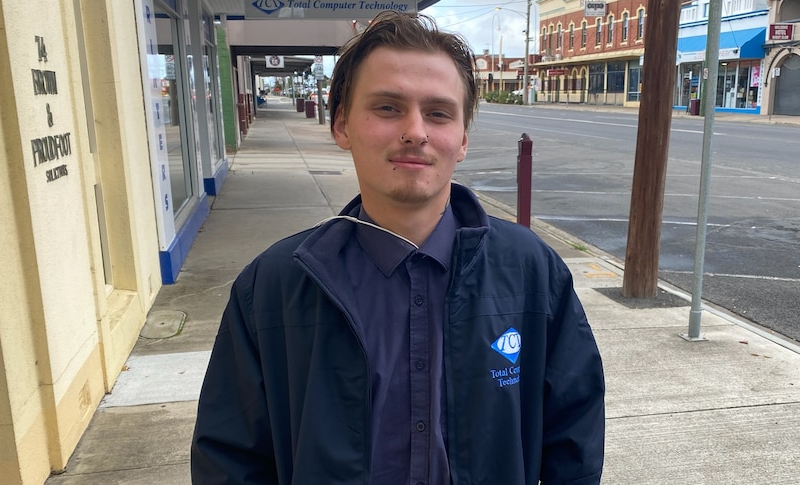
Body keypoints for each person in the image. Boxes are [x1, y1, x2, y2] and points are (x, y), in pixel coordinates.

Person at [191, 11, 605, 485]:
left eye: (438, 113)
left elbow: (575, 436)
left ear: (463, 138)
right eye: (388, 108)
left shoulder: (533, 274)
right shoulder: (274, 288)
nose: (416, 131)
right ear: (342, 125)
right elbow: (230, 459)